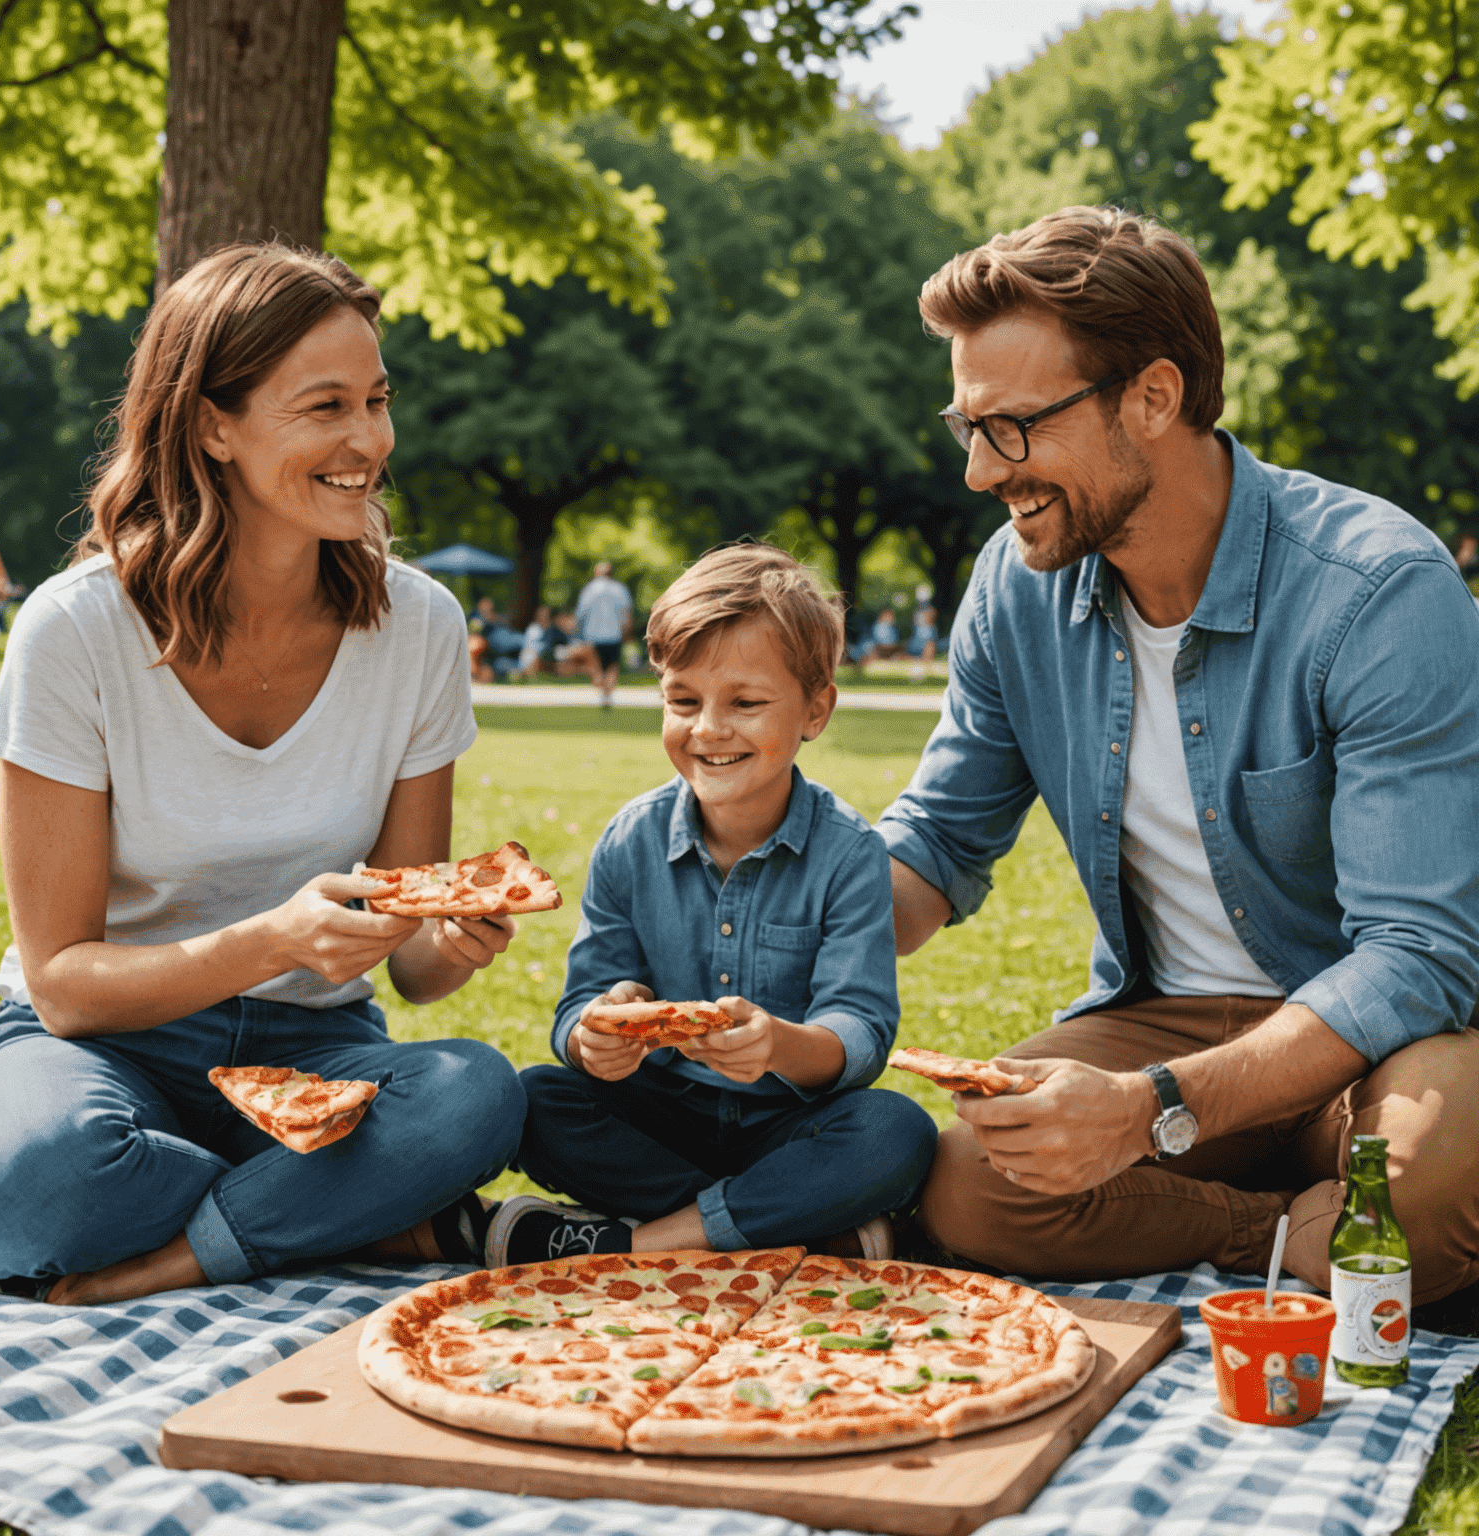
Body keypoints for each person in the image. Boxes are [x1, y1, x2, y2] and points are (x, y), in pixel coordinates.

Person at [879, 207, 1479, 1306]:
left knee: (1436, 1175)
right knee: (969, 1178)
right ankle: (1288, 1241)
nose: (978, 472)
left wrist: (1150, 1107)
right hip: (1165, 1012)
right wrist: (749, 914)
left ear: (1152, 398)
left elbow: (1416, 955)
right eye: (966, 427)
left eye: (1011, 428)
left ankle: (1339, 1224)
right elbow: (934, 843)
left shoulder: (1380, 590)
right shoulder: (1016, 586)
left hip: (1388, 1043)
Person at [0, 244, 528, 1306]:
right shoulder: (76, 632)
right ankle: (339, 1211)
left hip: (320, 1045)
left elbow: (408, 964)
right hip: (102, 1046)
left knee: (475, 1097)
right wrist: (270, 940)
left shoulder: (421, 627)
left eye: (378, 400)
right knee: (47, 1171)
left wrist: (450, 937)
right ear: (214, 424)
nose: (369, 440)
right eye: (326, 407)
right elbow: (65, 983)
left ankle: (187, 1248)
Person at [489, 543, 937, 1265]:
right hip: (661, 1117)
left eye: (746, 703)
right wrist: (597, 1034)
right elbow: (576, 1013)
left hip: (789, 1123)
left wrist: (778, 1045)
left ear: (816, 709)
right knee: (533, 1100)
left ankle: (642, 1241)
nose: (708, 730)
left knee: (894, 1132)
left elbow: (859, 1036)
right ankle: (780, 1222)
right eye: (683, 701)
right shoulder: (629, 842)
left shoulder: (851, 853)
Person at [574, 559, 634, 706]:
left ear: (597, 573)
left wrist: (576, 628)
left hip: (593, 635)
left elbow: (580, 613)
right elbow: (627, 614)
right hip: (614, 634)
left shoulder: (590, 589)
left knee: (596, 667)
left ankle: (602, 688)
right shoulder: (620, 589)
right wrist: (627, 632)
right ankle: (607, 695)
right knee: (612, 665)